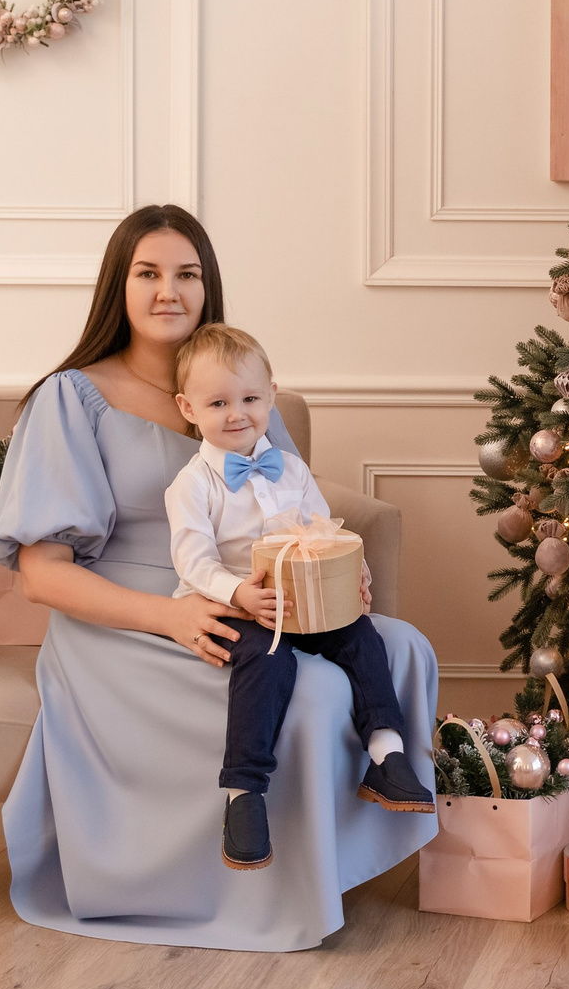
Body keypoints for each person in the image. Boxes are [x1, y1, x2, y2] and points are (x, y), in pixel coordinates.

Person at [0, 205, 438, 950]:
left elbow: (298, 512)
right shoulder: (69, 398)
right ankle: (261, 883)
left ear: (208, 286)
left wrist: (336, 574)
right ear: (119, 285)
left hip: (258, 598)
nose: (169, 290)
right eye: (149, 273)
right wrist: (172, 617)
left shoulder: (237, 388)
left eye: (187, 274)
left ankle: (342, 854)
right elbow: (40, 575)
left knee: (403, 647)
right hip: (133, 621)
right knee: (310, 686)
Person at [164, 322, 434, 873]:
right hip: (234, 605)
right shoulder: (192, 485)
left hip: (303, 598)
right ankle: (244, 793)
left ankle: (386, 751)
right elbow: (193, 562)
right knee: (268, 657)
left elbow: (323, 531)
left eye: (250, 399)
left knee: (362, 635)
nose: (236, 413)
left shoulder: (290, 468)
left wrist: (350, 575)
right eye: (218, 402)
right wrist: (239, 593)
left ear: (270, 397)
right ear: (188, 408)